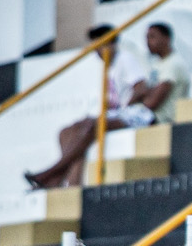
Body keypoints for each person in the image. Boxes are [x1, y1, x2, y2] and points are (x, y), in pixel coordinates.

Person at [25, 26, 175, 189]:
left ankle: (51, 174)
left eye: (100, 45)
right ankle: (68, 181)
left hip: (135, 114)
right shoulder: (108, 67)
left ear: (111, 45)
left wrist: (123, 107)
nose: (97, 51)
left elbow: (140, 88)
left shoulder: (125, 59)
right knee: (67, 132)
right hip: (120, 113)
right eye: (95, 47)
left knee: (89, 126)